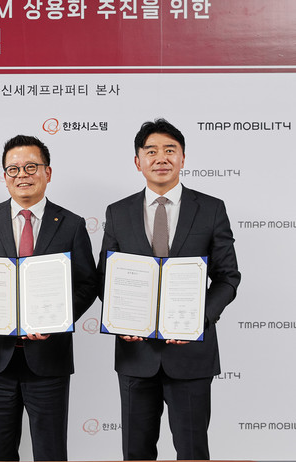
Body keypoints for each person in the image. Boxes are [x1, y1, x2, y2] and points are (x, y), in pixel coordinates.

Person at [97, 118, 240, 460]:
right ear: (138, 161)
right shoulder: (118, 212)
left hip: (191, 356)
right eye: (151, 151)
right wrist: (121, 318)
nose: (161, 158)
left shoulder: (210, 208)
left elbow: (228, 277)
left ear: (183, 158)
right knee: (136, 453)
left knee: (192, 452)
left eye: (170, 150)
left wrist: (198, 320)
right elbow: (106, 277)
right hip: (136, 354)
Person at [0, 135, 97, 461]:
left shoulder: (71, 224)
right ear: (4, 175)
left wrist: (59, 319)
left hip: (49, 361)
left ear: (47, 172)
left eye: (31, 167)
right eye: (13, 169)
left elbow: (87, 284)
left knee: (50, 453)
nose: (22, 175)